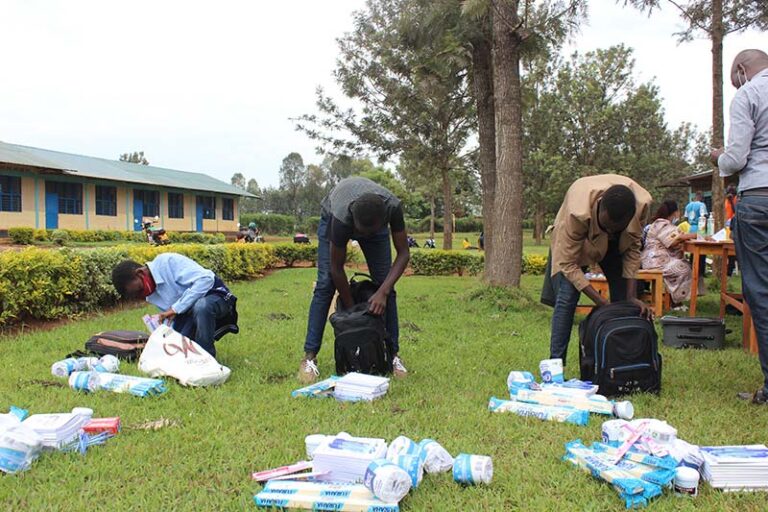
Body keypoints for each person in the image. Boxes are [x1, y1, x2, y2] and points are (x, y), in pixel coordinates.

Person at [299, 176, 410, 383]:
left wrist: (382, 292)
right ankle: (309, 357)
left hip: (372, 223)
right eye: (359, 231)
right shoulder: (341, 218)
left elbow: (403, 253)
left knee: (387, 286)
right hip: (334, 214)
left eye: (367, 232)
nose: (362, 236)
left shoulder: (393, 208)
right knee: (325, 285)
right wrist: (352, 311)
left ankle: (393, 355)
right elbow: (336, 268)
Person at [541, 174, 653, 364]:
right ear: (600, 207)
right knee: (567, 298)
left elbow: (633, 251)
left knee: (624, 301)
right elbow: (568, 264)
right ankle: (556, 364)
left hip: (618, 245)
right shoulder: (576, 213)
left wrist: (632, 296)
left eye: (616, 228)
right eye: (608, 226)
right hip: (580, 242)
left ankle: (620, 360)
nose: (610, 232)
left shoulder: (642, 205)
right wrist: (601, 302)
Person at [711, 49, 768, 405]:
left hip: (759, 200)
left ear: (742, 70)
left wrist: (718, 156)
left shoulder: (749, 94)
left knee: (761, 293)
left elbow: (737, 158)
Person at [111, 253, 238, 358]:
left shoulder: (167, 262)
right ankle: (194, 357)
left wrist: (176, 308)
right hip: (189, 313)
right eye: (137, 296)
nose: (142, 295)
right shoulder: (151, 294)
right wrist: (163, 333)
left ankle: (207, 359)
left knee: (201, 306)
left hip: (215, 296)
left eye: (139, 290)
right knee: (176, 350)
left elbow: (206, 280)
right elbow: (173, 316)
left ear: (140, 273)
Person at [641, 200, 698, 304]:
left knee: (686, 265)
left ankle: (674, 299)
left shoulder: (665, 224)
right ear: (675, 212)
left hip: (658, 260)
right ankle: (675, 301)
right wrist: (695, 235)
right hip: (655, 261)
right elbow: (673, 240)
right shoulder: (661, 224)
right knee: (683, 269)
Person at [724, 185, 738, 275]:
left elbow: (735, 211)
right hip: (727, 224)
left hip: (734, 223)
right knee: (727, 244)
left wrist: (732, 201)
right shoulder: (726, 200)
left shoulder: (736, 199)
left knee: (732, 245)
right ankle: (729, 267)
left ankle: (731, 268)